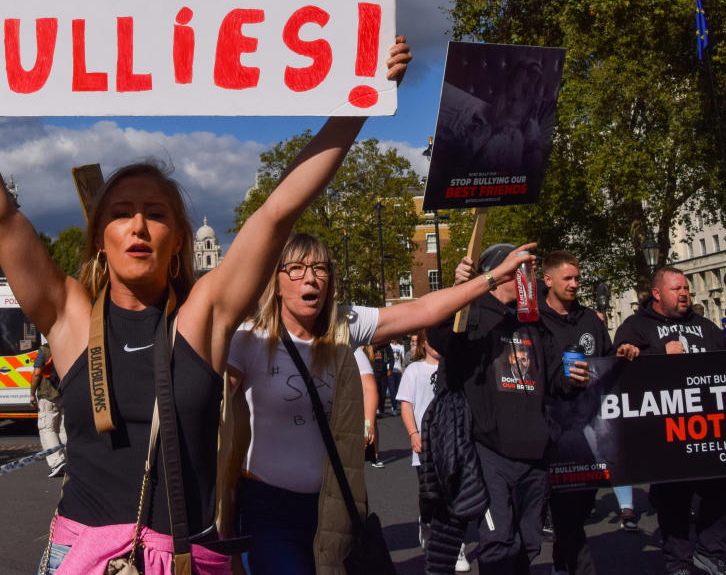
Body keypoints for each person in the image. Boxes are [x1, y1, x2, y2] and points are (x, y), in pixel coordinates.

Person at [0, 26, 412, 574]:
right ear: (100, 237)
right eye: (121, 213)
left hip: (184, 558)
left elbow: (279, 211)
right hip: (85, 558)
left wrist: (362, 97)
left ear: (178, 238)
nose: (138, 225)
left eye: (156, 214)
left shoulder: (203, 317)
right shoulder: (68, 316)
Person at [224, 233, 539, 575]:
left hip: (335, 504)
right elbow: (209, 411)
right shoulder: (249, 338)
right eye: (296, 268)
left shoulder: (344, 325)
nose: (310, 277)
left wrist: (492, 277)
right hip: (268, 507)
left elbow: (424, 310)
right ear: (277, 280)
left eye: (319, 268)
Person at [428, 244, 590, 575]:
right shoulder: (471, 312)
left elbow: (554, 380)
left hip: (534, 453)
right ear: (498, 273)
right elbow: (439, 336)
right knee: (498, 542)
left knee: (529, 542)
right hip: (487, 451)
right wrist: (460, 291)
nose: (529, 278)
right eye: (520, 269)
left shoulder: (533, 319)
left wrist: (575, 377)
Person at [613, 266, 726, 575]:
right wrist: (657, 351)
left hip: (710, 429)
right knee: (673, 500)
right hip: (665, 432)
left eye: (686, 288)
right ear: (657, 294)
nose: (684, 293)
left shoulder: (707, 327)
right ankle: (678, 561)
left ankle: (710, 551)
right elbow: (620, 368)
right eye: (676, 289)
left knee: (725, 488)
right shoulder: (636, 326)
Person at [536, 250, 612, 575]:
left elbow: (606, 359)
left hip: (591, 426)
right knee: (566, 507)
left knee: (582, 506)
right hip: (553, 429)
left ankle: (560, 561)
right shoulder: (533, 322)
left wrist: (622, 353)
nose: (574, 284)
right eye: (567, 278)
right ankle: (579, 567)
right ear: (548, 280)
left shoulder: (590, 320)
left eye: (577, 278)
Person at [397, 330, 469, 573]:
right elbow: (406, 405)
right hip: (425, 445)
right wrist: (413, 434)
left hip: (452, 445)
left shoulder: (455, 368)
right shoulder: (414, 371)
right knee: (430, 495)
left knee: (454, 496)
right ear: (424, 343)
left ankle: (456, 546)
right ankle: (426, 524)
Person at [30, 341, 67, 477]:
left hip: (47, 395)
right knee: (62, 428)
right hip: (64, 393)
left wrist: (32, 394)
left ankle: (56, 462)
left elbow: (37, 373)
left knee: (47, 429)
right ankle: (68, 459)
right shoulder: (65, 346)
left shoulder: (45, 349)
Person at [358, 346, 381, 469]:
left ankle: (374, 455)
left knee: (372, 425)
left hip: (362, 395)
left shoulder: (357, 351)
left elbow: (369, 388)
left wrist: (369, 422)